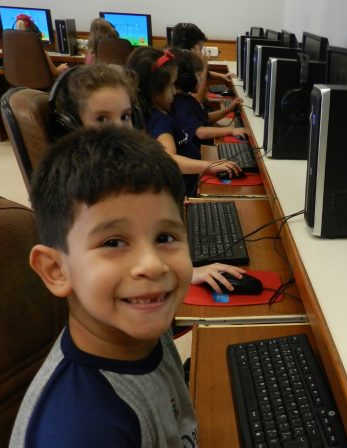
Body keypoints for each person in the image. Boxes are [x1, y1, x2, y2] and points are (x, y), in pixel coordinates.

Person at [6, 126, 347, 448]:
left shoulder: (140, 335)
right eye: (114, 242)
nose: (152, 264)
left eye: (166, 236)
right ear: (55, 269)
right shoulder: (80, 429)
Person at [48, 63, 245, 293]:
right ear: (70, 126)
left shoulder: (120, 169)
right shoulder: (85, 188)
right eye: (102, 119)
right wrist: (188, 273)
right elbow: (108, 262)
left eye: (125, 116)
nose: (120, 128)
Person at [126, 46, 242, 198]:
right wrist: (209, 166)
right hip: (187, 190)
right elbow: (169, 159)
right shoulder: (160, 121)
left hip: (189, 183)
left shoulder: (152, 114)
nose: (174, 91)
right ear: (155, 90)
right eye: (171, 85)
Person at [172, 48, 247, 147]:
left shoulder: (187, 98)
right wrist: (231, 130)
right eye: (199, 75)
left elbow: (206, 117)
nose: (202, 79)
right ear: (188, 80)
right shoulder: (180, 105)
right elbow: (200, 132)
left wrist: (228, 110)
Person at [13, 13, 68, 77]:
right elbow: (55, 72)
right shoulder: (41, 52)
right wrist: (62, 66)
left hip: (16, 83)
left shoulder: (11, 51)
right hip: (38, 83)